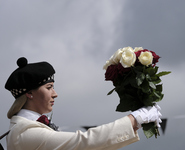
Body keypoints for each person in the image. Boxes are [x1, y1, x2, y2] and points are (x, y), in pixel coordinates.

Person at [4, 57, 162, 150]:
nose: (55, 93)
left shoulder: (24, 129)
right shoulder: (25, 133)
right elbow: (83, 142)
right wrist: (136, 118)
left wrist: (137, 123)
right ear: (29, 93)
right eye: (49, 88)